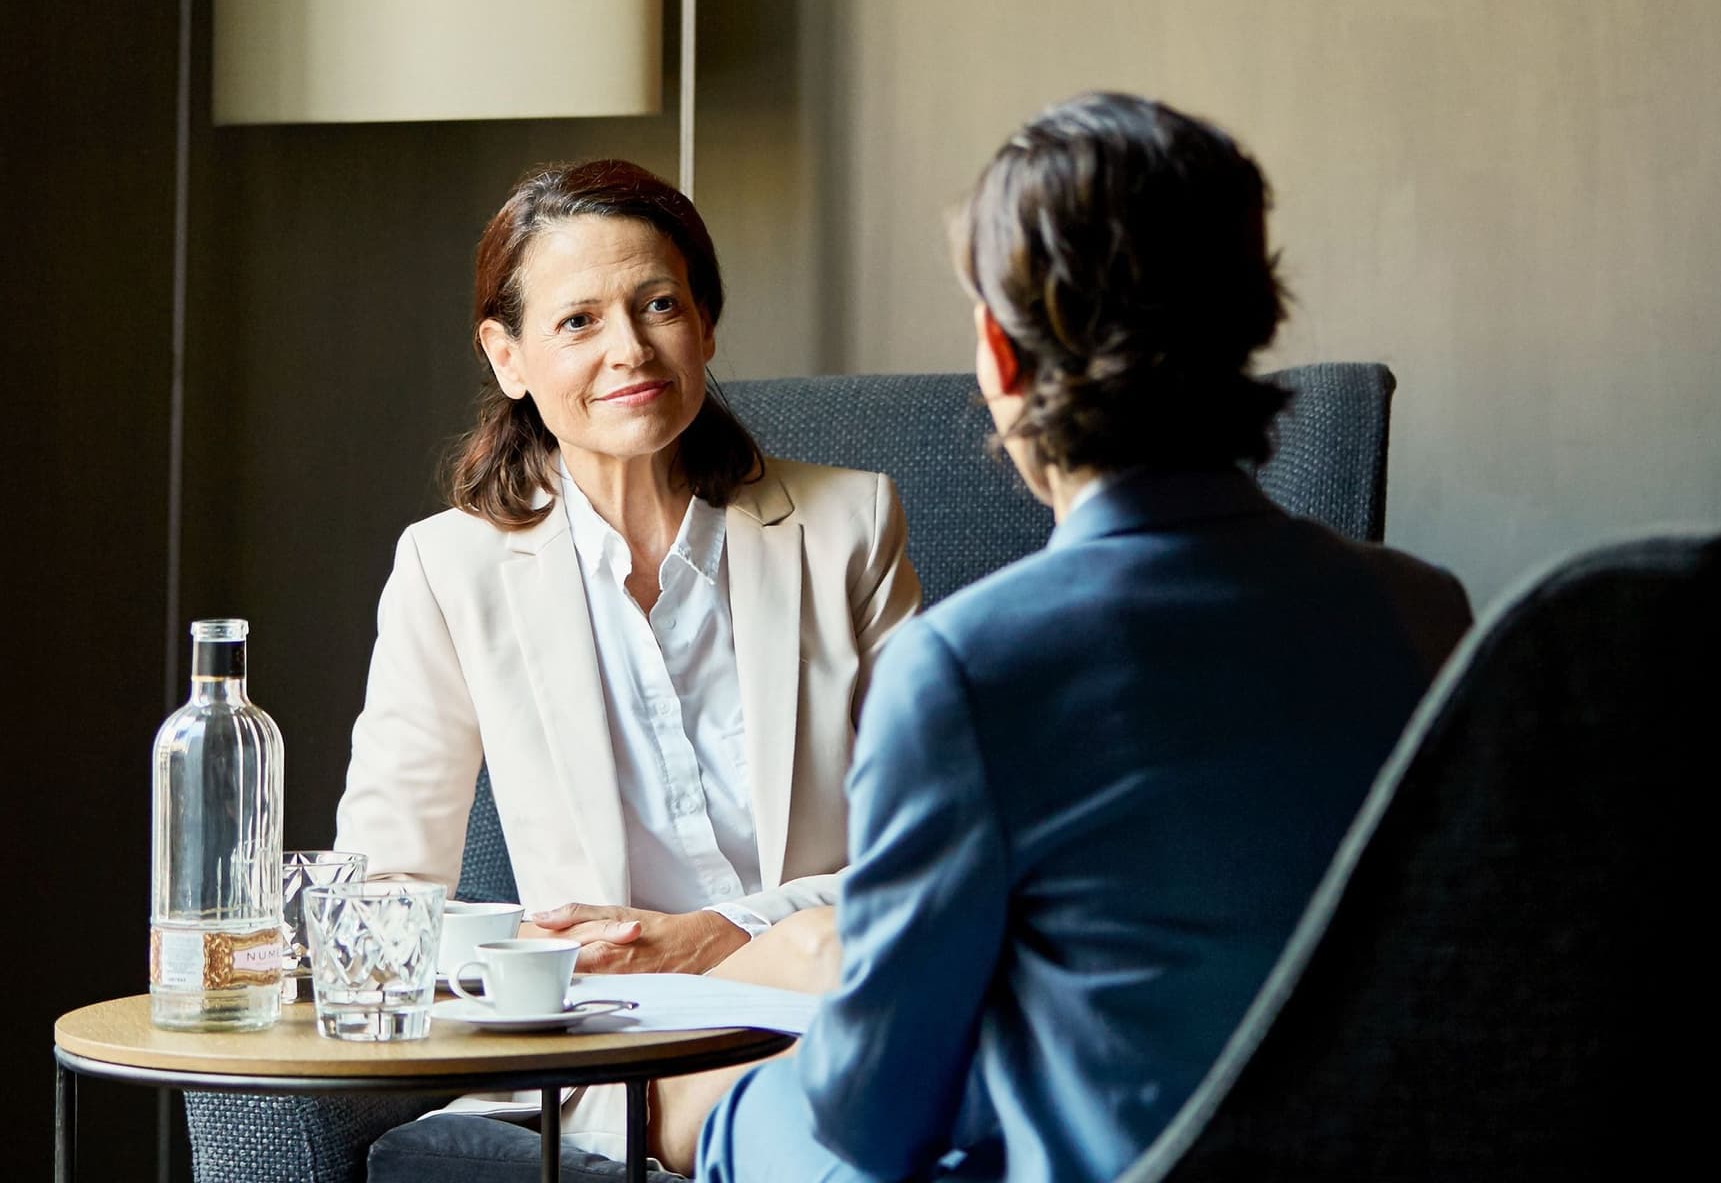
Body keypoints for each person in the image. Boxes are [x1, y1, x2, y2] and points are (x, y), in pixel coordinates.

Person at [683, 92, 1472, 1183]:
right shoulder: (1426, 611)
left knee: (730, 1123)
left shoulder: (963, 668)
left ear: (1002, 360)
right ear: (1249, 326)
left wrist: (721, 1110)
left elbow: (873, 1120)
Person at [337, 158, 919, 1159]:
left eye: (658, 304)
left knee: (835, 960)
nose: (630, 349)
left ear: (705, 323)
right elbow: (381, 896)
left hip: (842, 980)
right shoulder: (452, 568)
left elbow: (926, 841)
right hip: (615, 1038)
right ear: (507, 355)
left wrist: (725, 934)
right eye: (578, 321)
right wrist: (531, 955)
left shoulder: (848, 524)